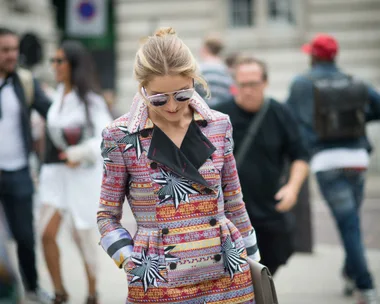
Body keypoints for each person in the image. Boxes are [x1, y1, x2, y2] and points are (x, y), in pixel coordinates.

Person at [97, 27, 260, 304]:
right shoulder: (120, 135)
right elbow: (106, 216)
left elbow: (234, 202)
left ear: (194, 81)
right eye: (159, 98)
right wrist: (131, 260)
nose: (172, 106)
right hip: (158, 279)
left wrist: (255, 260)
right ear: (142, 88)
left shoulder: (219, 125)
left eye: (182, 94)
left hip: (228, 273)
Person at [287, 33, 380, 304]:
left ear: (312, 56)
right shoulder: (355, 81)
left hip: (326, 162)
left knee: (348, 225)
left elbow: (290, 118)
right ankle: (350, 274)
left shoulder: (302, 83)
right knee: (350, 223)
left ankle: (366, 285)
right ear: (334, 56)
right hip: (358, 159)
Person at [215, 56, 309, 276]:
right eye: (242, 84)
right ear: (235, 85)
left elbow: (301, 155)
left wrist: (292, 189)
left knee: (269, 265)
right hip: (229, 214)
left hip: (269, 210)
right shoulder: (217, 116)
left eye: (254, 84)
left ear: (265, 82)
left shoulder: (280, 113)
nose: (248, 90)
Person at [38, 40, 112, 304]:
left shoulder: (91, 101)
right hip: (55, 177)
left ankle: (93, 293)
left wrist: (79, 154)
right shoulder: (56, 96)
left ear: (73, 65)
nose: (55, 66)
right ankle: (60, 292)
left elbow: (107, 136)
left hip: (81, 177)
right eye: (53, 61)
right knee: (46, 234)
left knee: (82, 237)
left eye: (60, 61)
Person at [0, 27, 51, 303]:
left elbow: (52, 113)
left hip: (18, 171)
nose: (11, 55)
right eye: (5, 50)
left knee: (25, 237)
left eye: (13, 49)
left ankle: (31, 288)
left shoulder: (25, 81)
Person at [196, 34, 234, 108]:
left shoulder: (199, 70)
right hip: (224, 111)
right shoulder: (227, 71)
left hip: (204, 112)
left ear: (205, 49)